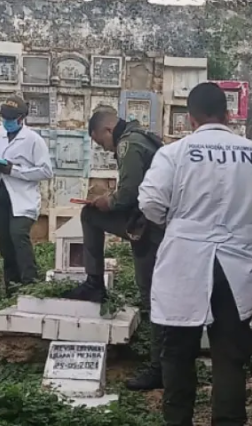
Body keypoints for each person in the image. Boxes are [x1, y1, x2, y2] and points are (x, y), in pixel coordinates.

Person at [139, 82, 252, 425]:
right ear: (227, 114)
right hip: (237, 266)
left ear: (190, 119)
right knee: (229, 357)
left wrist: (177, 222)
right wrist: (247, 223)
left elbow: (150, 202)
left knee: (177, 355)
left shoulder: (174, 153)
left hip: (184, 263)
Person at [62, 107, 167, 391]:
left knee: (151, 295)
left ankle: (159, 368)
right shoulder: (146, 137)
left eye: (101, 143)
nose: (106, 150)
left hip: (151, 226)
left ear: (108, 130)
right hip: (156, 221)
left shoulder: (128, 144)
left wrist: (106, 200)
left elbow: (129, 194)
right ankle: (94, 283)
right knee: (156, 294)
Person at [0, 95, 53, 292]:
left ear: (21, 118)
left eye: (11, 118)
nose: (7, 122)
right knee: (4, 241)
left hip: (23, 201)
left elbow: (46, 171)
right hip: (1, 199)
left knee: (18, 235)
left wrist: (14, 170)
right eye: (4, 118)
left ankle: (30, 282)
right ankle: (11, 286)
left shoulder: (33, 140)